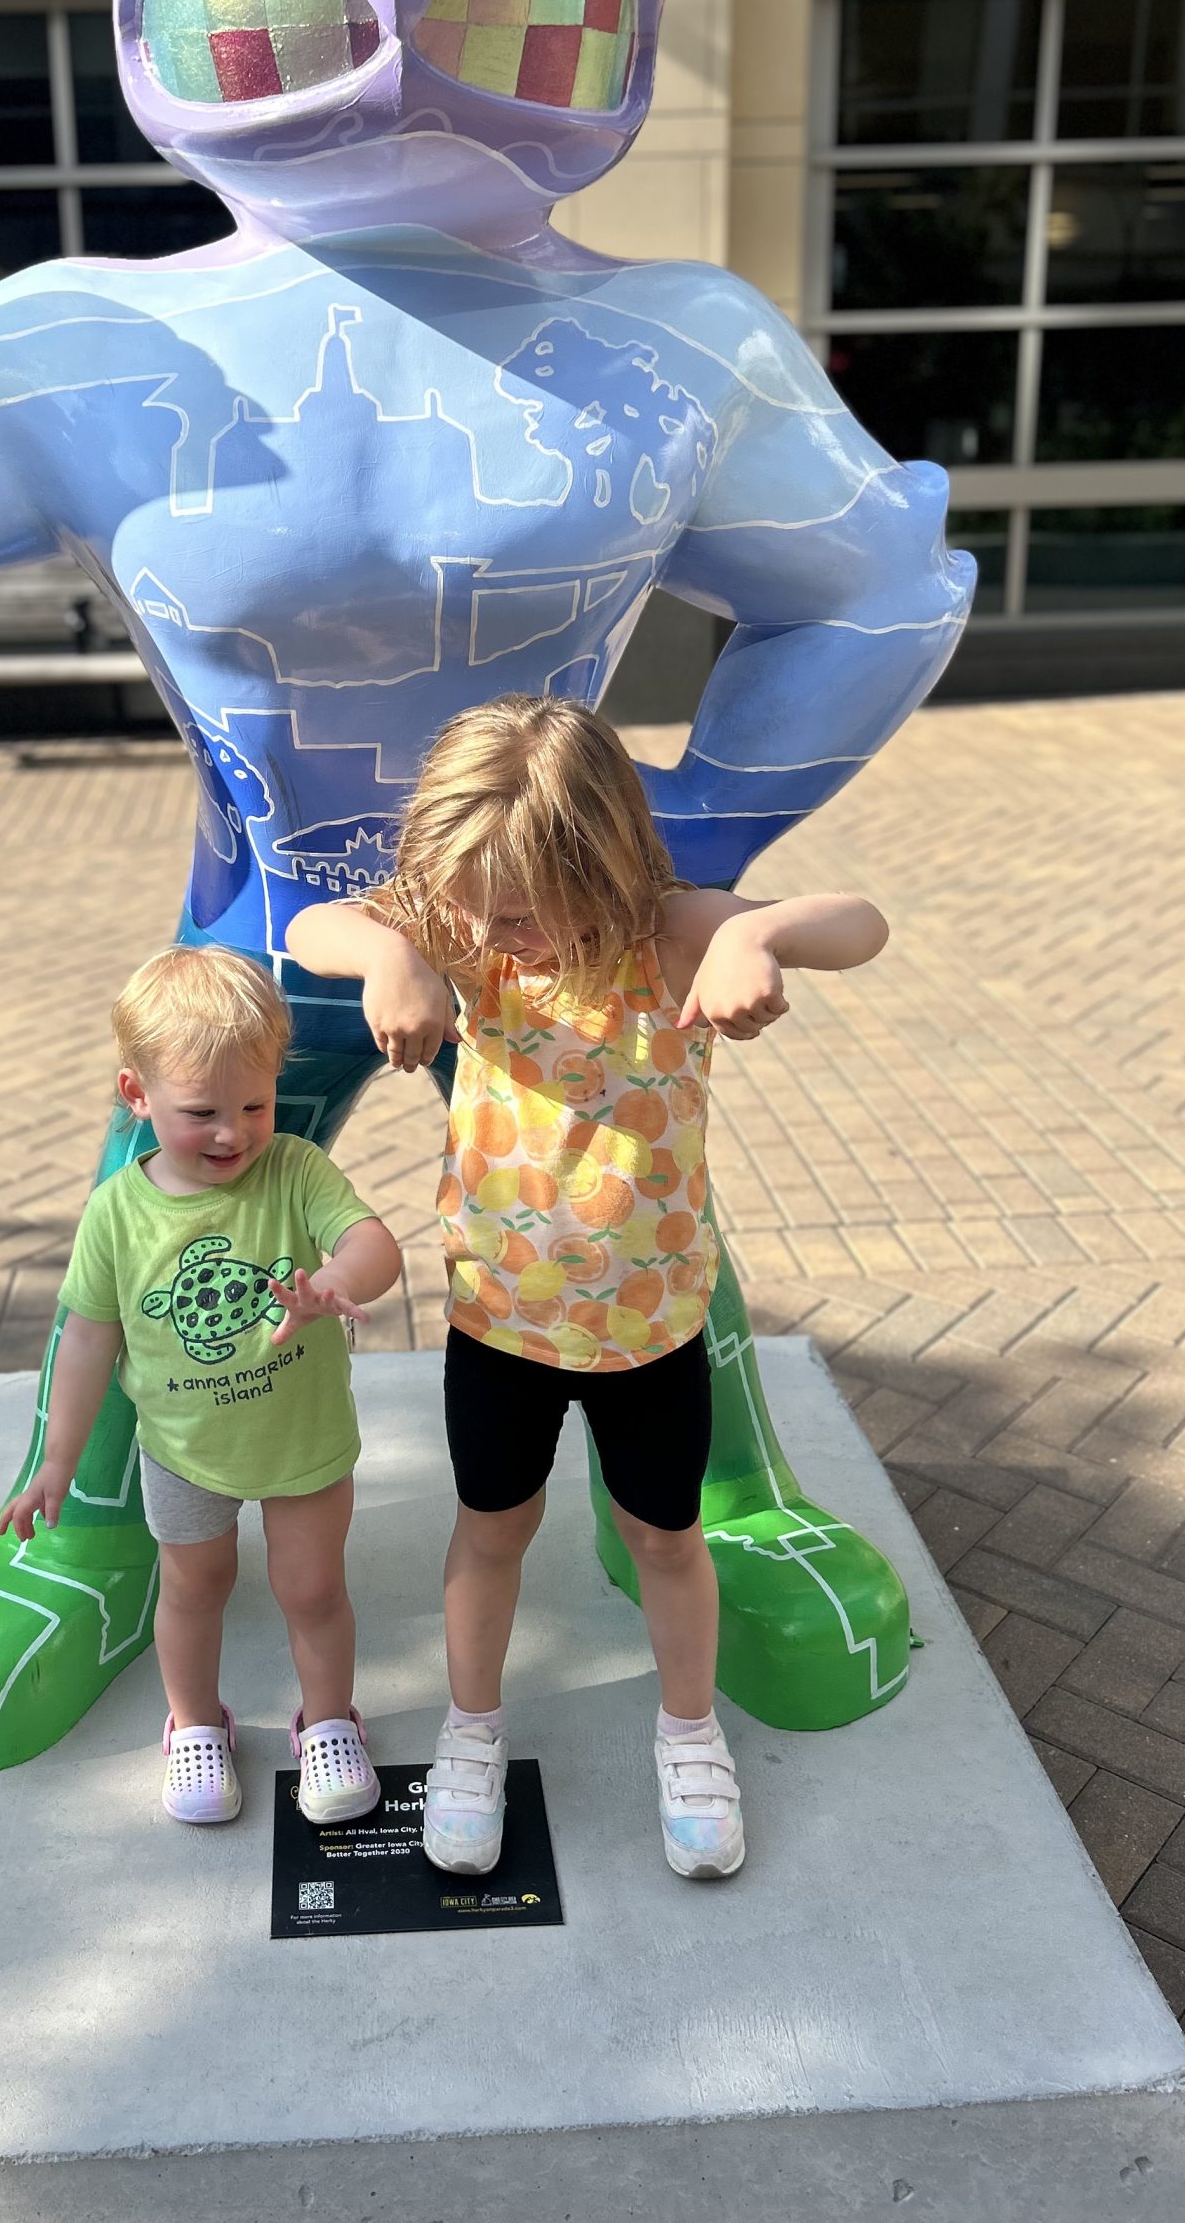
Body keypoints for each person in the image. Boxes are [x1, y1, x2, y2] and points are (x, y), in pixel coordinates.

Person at [288, 695, 890, 1880]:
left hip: (649, 1330)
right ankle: (472, 1732)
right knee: (491, 1531)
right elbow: (314, 925)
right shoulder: (462, 925)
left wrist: (757, 936)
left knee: (667, 1536)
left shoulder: (667, 934)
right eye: (469, 905)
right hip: (500, 1324)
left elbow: (863, 923)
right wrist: (393, 952)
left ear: (599, 862)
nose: (492, 931)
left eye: (519, 909)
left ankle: (689, 1732)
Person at [0, 946, 403, 1831]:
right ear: (136, 1095)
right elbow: (88, 1341)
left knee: (313, 1590)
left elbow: (374, 1244)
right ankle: (193, 1724)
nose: (233, 1133)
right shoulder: (116, 1212)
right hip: (183, 1453)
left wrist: (337, 1280)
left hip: (303, 1442)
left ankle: (329, 1721)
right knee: (192, 1589)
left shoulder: (294, 1169)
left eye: (254, 1105)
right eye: (202, 1113)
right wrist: (56, 1462)